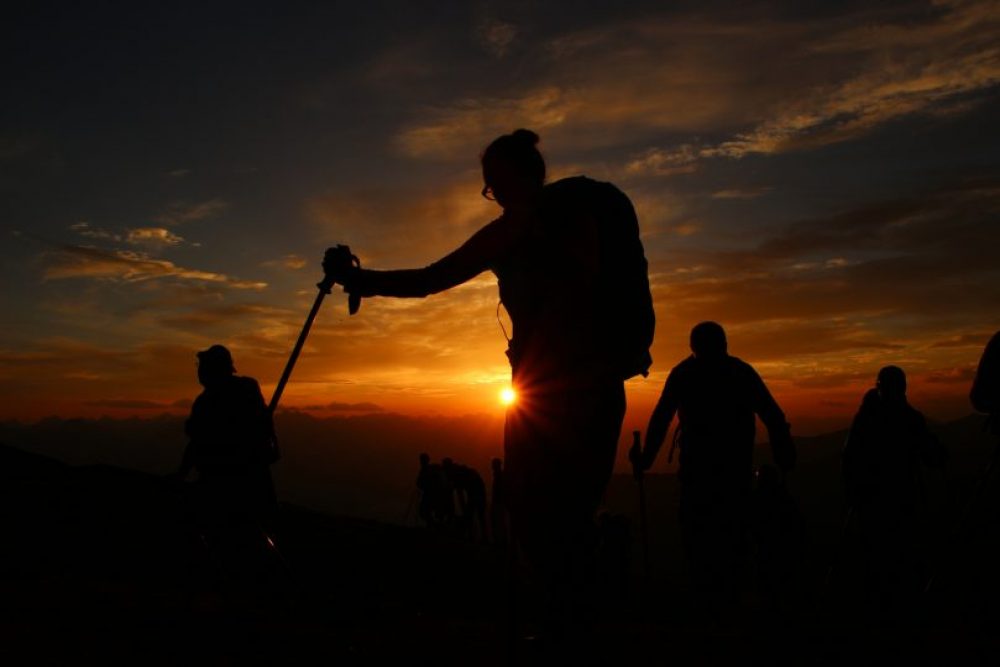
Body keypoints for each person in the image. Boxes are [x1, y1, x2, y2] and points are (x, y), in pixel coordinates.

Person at [322, 129, 654, 621]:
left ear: (511, 178)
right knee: (568, 511)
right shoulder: (580, 216)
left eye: (491, 183)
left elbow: (430, 279)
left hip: (547, 394)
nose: (490, 195)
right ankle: (588, 610)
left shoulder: (520, 226)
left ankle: (571, 616)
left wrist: (359, 281)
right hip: (598, 385)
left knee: (536, 513)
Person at [633, 321, 794, 608]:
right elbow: (772, 416)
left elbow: (661, 419)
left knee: (700, 541)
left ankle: (709, 602)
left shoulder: (684, 374)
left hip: (699, 474)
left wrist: (646, 458)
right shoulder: (740, 372)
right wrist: (784, 455)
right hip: (733, 473)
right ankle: (726, 601)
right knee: (731, 539)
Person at [842, 365, 945, 610]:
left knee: (876, 558)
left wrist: (853, 492)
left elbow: (849, 458)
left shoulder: (866, 419)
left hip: (870, 503)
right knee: (902, 556)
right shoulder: (909, 419)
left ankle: (878, 609)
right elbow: (932, 457)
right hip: (901, 502)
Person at [177, 344, 278, 534]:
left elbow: (197, 443)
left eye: (202, 366)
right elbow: (264, 423)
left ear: (212, 369)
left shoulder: (206, 402)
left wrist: (181, 474)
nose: (199, 370)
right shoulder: (247, 388)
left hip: (224, 483)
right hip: (253, 479)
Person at [442, 458, 487, 541]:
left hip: (476, 488)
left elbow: (460, 494)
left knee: (475, 513)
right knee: (476, 514)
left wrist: (463, 510)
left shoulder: (455, 473)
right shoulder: (455, 471)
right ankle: (478, 536)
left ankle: (477, 536)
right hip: (476, 487)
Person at [416, 453, 452, 528]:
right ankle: (434, 526)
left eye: (422, 460)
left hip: (432, 495)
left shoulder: (429, 469)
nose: (422, 462)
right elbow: (419, 483)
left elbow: (419, 483)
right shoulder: (431, 469)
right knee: (427, 512)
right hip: (433, 495)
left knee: (426, 512)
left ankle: (434, 526)